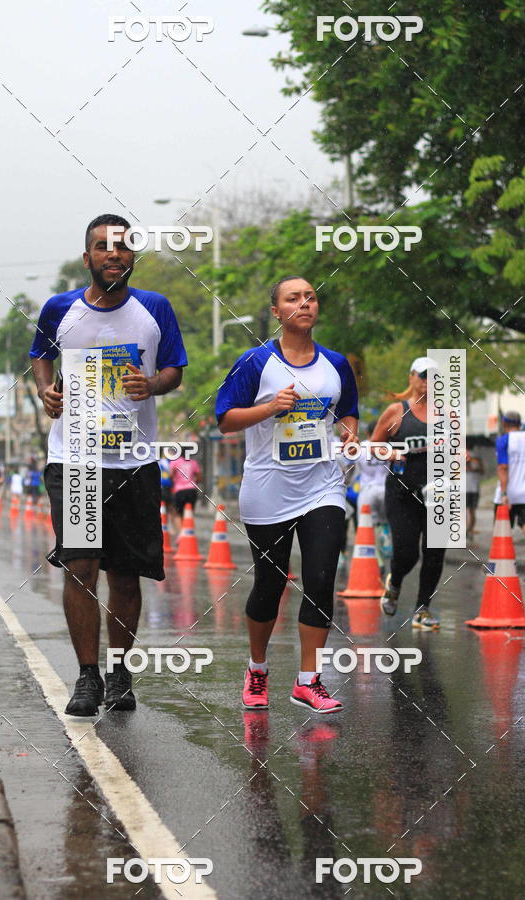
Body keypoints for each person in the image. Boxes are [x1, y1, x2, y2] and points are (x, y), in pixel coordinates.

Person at [29, 213, 187, 716]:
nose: (112, 254)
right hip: (74, 460)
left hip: (134, 460)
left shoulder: (155, 308)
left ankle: (120, 674)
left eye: (121, 247)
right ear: (88, 258)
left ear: (132, 257)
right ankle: (87, 677)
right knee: (81, 568)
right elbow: (40, 355)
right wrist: (45, 391)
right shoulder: (59, 308)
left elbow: (174, 371)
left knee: (124, 574)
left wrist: (153, 384)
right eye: (102, 247)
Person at [216, 275, 359, 714]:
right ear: (276, 312)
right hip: (267, 490)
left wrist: (350, 438)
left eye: (311, 297)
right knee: (270, 584)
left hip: (323, 487)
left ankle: (308, 680)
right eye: (293, 298)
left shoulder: (336, 363)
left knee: (320, 580)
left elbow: (348, 411)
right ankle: (257, 669)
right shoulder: (255, 362)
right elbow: (224, 419)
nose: (304, 303)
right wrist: (269, 408)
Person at [372, 357, 444, 630]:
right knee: (407, 553)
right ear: (411, 377)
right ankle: (395, 583)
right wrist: (391, 451)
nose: (428, 381)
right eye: (423, 375)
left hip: (439, 492)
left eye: (433, 376)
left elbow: (455, 449)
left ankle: (423, 609)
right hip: (403, 493)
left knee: (435, 552)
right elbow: (374, 446)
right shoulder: (396, 411)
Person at [493, 410, 525, 585]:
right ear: (519, 423)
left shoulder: (503, 440)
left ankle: (504, 571)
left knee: (502, 534)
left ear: (504, 423)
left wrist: (504, 493)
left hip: (507, 495)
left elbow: (502, 467)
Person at [357, 421, 391, 574]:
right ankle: (385, 533)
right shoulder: (388, 446)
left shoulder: (362, 447)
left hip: (366, 491)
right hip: (385, 489)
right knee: (385, 522)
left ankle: (377, 559)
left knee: (366, 527)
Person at [169, 452, 202, 531]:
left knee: (178, 514)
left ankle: (181, 534)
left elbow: (170, 475)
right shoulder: (193, 462)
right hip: (191, 490)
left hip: (179, 490)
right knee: (189, 513)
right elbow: (199, 478)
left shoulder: (175, 462)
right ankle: (189, 532)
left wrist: (175, 480)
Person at [465, 444, 485, 539]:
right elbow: (482, 471)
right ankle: (468, 530)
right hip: (471, 487)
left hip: (469, 487)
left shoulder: (476, 457)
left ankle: (468, 530)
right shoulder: (477, 458)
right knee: (471, 511)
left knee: (469, 511)